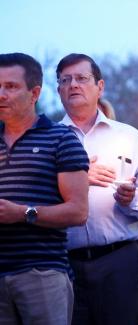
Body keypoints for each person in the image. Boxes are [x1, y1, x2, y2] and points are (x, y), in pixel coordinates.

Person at [56, 53, 138, 325]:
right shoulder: (49, 138)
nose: (73, 85)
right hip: (62, 263)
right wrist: (77, 177)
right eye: (65, 80)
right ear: (58, 89)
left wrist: (132, 199)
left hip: (120, 261)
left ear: (100, 86)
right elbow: (32, 198)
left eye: (81, 78)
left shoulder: (127, 135)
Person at [0, 53, 89, 325]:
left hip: (41, 273)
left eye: (11, 87)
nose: (1, 94)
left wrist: (24, 213)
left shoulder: (62, 139)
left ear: (34, 92)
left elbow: (78, 212)